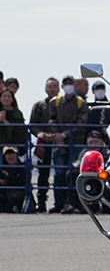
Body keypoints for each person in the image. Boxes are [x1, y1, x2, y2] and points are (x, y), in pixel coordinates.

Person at [48, 75, 89, 213]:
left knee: (73, 173)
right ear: (62, 86)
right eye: (66, 83)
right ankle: (59, 203)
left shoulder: (81, 103)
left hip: (75, 143)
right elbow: (51, 121)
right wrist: (57, 137)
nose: (68, 86)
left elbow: (81, 123)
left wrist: (64, 134)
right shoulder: (55, 102)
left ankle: (75, 203)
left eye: (71, 83)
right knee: (59, 174)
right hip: (59, 144)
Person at [30, 77, 60, 212]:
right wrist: (42, 134)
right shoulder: (39, 105)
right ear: (45, 89)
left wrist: (57, 134)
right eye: (50, 86)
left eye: (55, 86)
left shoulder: (63, 104)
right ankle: (41, 201)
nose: (52, 89)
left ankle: (61, 202)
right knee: (43, 173)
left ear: (59, 89)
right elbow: (32, 125)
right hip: (43, 144)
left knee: (61, 173)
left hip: (59, 143)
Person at [0, 146, 26, 213]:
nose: (10, 156)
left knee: (17, 197)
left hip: (19, 193)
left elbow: (22, 181)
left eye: (12, 153)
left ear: (17, 155)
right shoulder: (3, 168)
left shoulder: (22, 167)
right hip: (6, 194)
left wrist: (8, 179)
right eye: (8, 154)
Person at [0, 88, 27, 153]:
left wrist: (5, 121)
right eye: (4, 96)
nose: (6, 98)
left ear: (12, 99)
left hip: (14, 146)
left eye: (9, 96)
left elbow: (20, 133)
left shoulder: (17, 113)